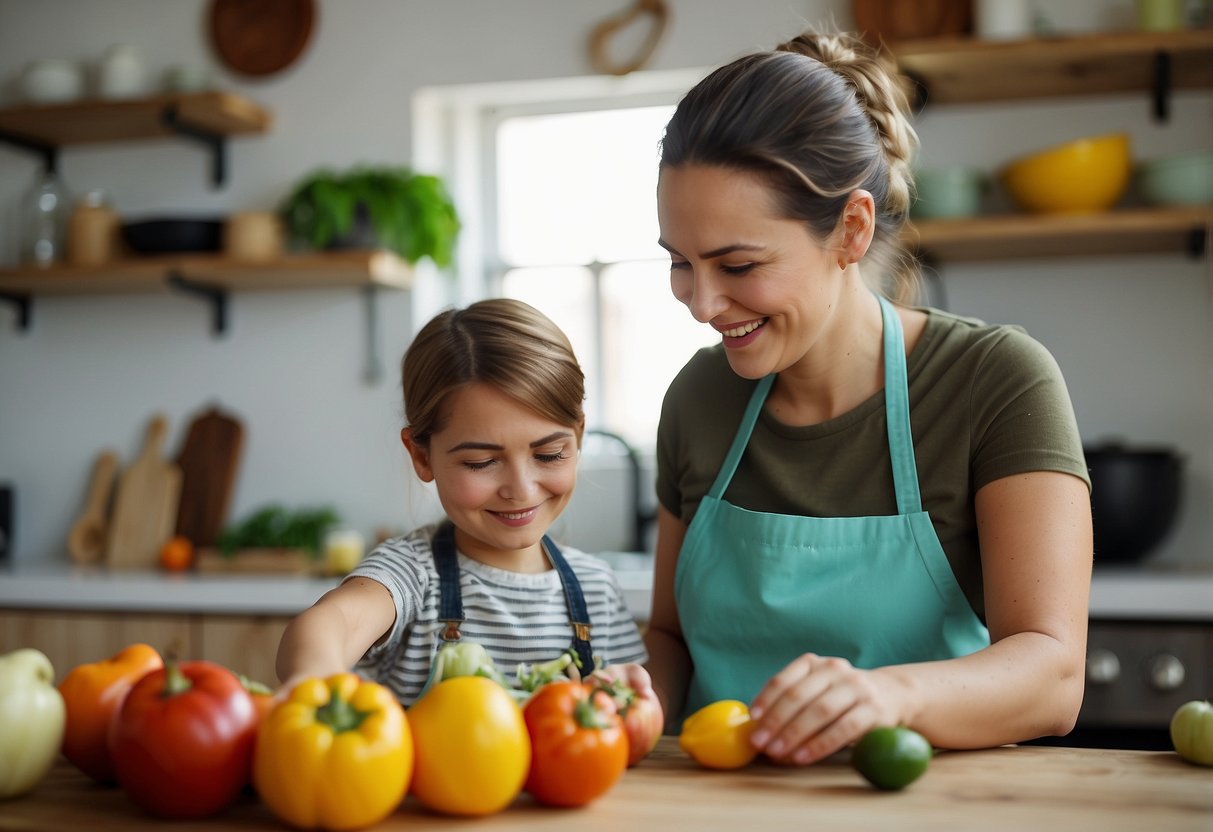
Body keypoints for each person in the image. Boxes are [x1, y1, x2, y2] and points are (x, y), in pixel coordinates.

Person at [643, 31, 1093, 764]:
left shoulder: (995, 379)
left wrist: (892, 697)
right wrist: (619, 704)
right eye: (680, 264)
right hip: (713, 806)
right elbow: (668, 638)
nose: (701, 302)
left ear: (850, 230)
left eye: (737, 264)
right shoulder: (699, 395)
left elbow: (1051, 675)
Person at [275, 298, 649, 704]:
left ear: (577, 436)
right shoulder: (411, 576)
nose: (520, 489)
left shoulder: (597, 588)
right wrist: (314, 678)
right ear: (421, 455)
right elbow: (335, 622)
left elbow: (629, 708)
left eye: (548, 455)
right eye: (482, 462)